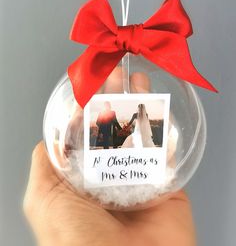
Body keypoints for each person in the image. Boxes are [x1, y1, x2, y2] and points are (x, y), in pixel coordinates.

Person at [24, 68, 196, 246]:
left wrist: (124, 128)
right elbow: (106, 125)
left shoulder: (131, 115)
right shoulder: (108, 116)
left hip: (127, 143)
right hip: (107, 140)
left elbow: (121, 124)